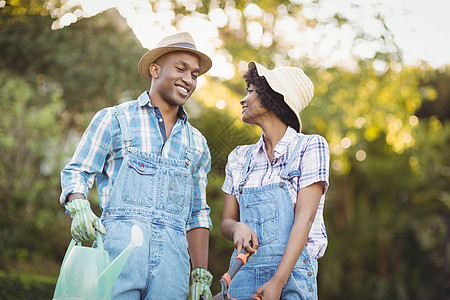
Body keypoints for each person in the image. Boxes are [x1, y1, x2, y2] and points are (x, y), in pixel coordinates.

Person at [60, 32, 214, 299]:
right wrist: (78, 205)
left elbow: (198, 213)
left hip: (173, 268)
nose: (188, 80)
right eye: (181, 69)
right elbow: (78, 170)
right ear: (155, 69)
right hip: (118, 257)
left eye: (195, 74)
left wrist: (200, 271)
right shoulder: (114, 119)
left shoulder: (197, 144)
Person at [220, 61, 330, 300]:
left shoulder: (310, 147)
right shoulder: (239, 157)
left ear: (272, 97)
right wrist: (238, 226)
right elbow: (227, 221)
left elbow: (305, 217)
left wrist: (277, 282)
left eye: (250, 91)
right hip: (243, 274)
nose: (243, 99)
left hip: (293, 277)